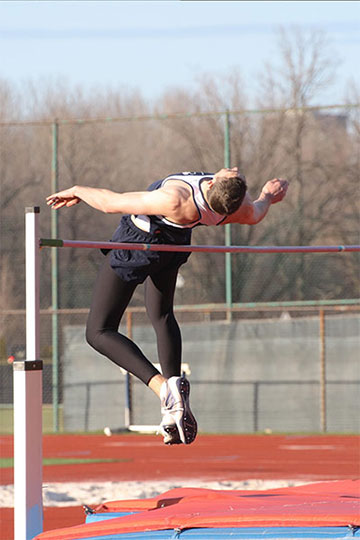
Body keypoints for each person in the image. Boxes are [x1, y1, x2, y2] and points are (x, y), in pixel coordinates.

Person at [46, 167, 288, 445]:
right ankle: (173, 410)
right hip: (173, 246)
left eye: (231, 174)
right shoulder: (231, 208)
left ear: (211, 184)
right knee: (161, 315)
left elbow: (111, 203)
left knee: (98, 331)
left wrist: (78, 190)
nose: (232, 169)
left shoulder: (175, 198)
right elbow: (256, 213)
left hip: (138, 245)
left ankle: (163, 387)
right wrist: (268, 196)